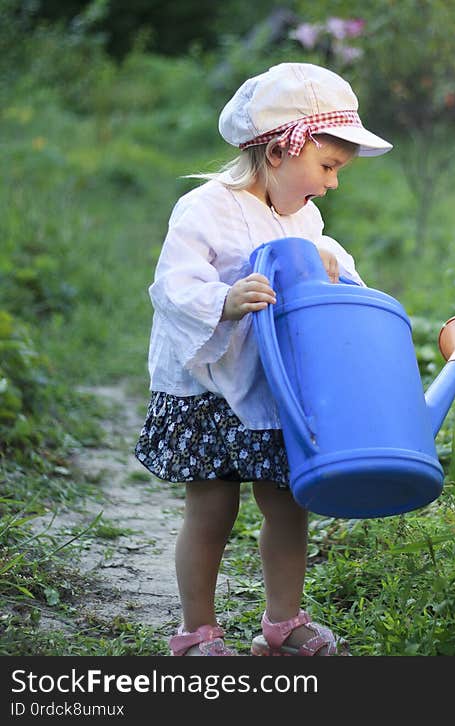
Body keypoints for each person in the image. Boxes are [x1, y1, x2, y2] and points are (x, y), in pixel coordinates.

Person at [134, 62, 392, 656]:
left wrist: (329, 264)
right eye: (327, 167)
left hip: (271, 384)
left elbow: (325, 278)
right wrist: (223, 300)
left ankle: (282, 623)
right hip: (205, 387)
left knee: (287, 502)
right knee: (213, 507)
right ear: (280, 149)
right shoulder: (205, 208)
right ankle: (195, 629)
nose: (331, 183)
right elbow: (173, 284)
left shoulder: (304, 217)